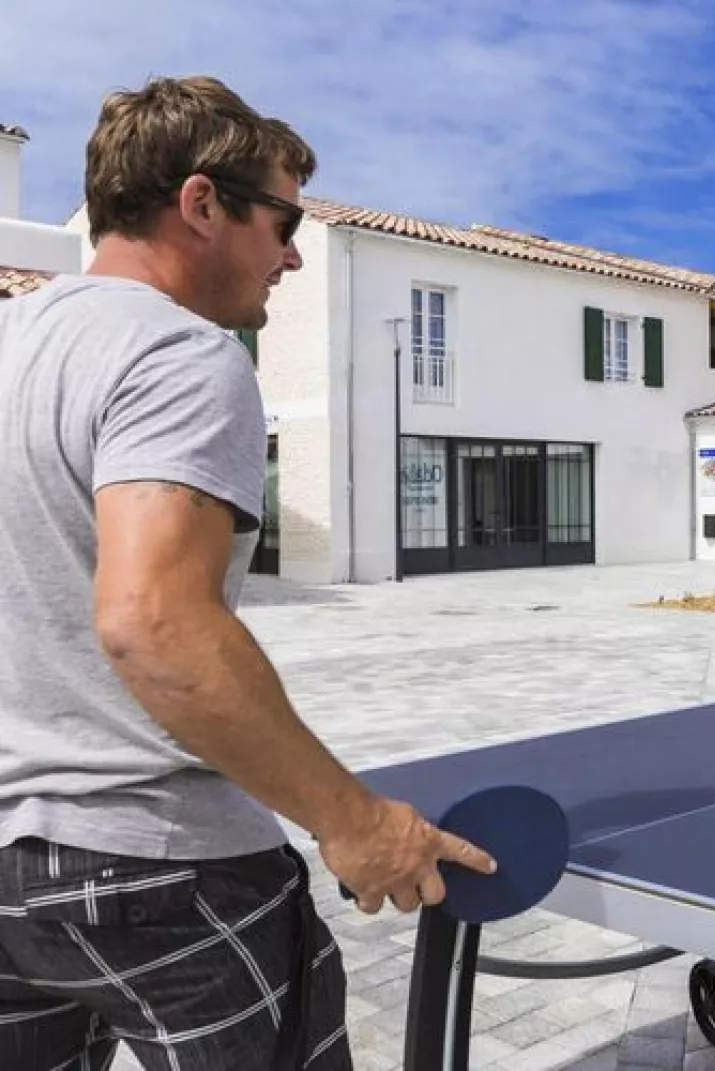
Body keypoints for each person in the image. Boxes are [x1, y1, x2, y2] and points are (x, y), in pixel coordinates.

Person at [0, 76, 496, 1070]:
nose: (294, 251)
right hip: (163, 870)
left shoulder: (17, 346)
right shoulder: (183, 352)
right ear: (200, 204)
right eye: (284, 219)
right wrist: (354, 823)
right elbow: (155, 622)